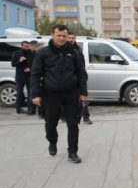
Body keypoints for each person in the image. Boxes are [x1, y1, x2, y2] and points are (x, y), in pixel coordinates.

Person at [30, 25, 88, 164]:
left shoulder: (75, 53)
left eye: (64, 36)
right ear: (53, 35)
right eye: (59, 35)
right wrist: (35, 94)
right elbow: (35, 74)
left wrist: (83, 92)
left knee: (73, 124)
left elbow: (81, 73)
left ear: (67, 36)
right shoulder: (43, 53)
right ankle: (52, 141)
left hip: (71, 94)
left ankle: (73, 152)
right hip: (51, 94)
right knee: (50, 123)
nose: (61, 38)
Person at [67, 32, 92, 124]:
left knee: (83, 98)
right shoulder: (63, 50)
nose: (71, 40)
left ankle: (86, 117)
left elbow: (82, 65)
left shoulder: (78, 50)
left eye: (72, 38)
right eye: (69, 38)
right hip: (67, 79)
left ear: (75, 39)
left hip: (78, 78)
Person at [11, 40, 35, 114]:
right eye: (25, 46)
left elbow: (35, 63)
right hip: (20, 77)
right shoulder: (16, 53)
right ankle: (18, 109)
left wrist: (30, 69)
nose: (27, 47)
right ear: (21, 46)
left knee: (30, 93)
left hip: (29, 76)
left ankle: (30, 110)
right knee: (19, 93)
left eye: (28, 46)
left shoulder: (32, 53)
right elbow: (13, 64)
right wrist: (20, 61)